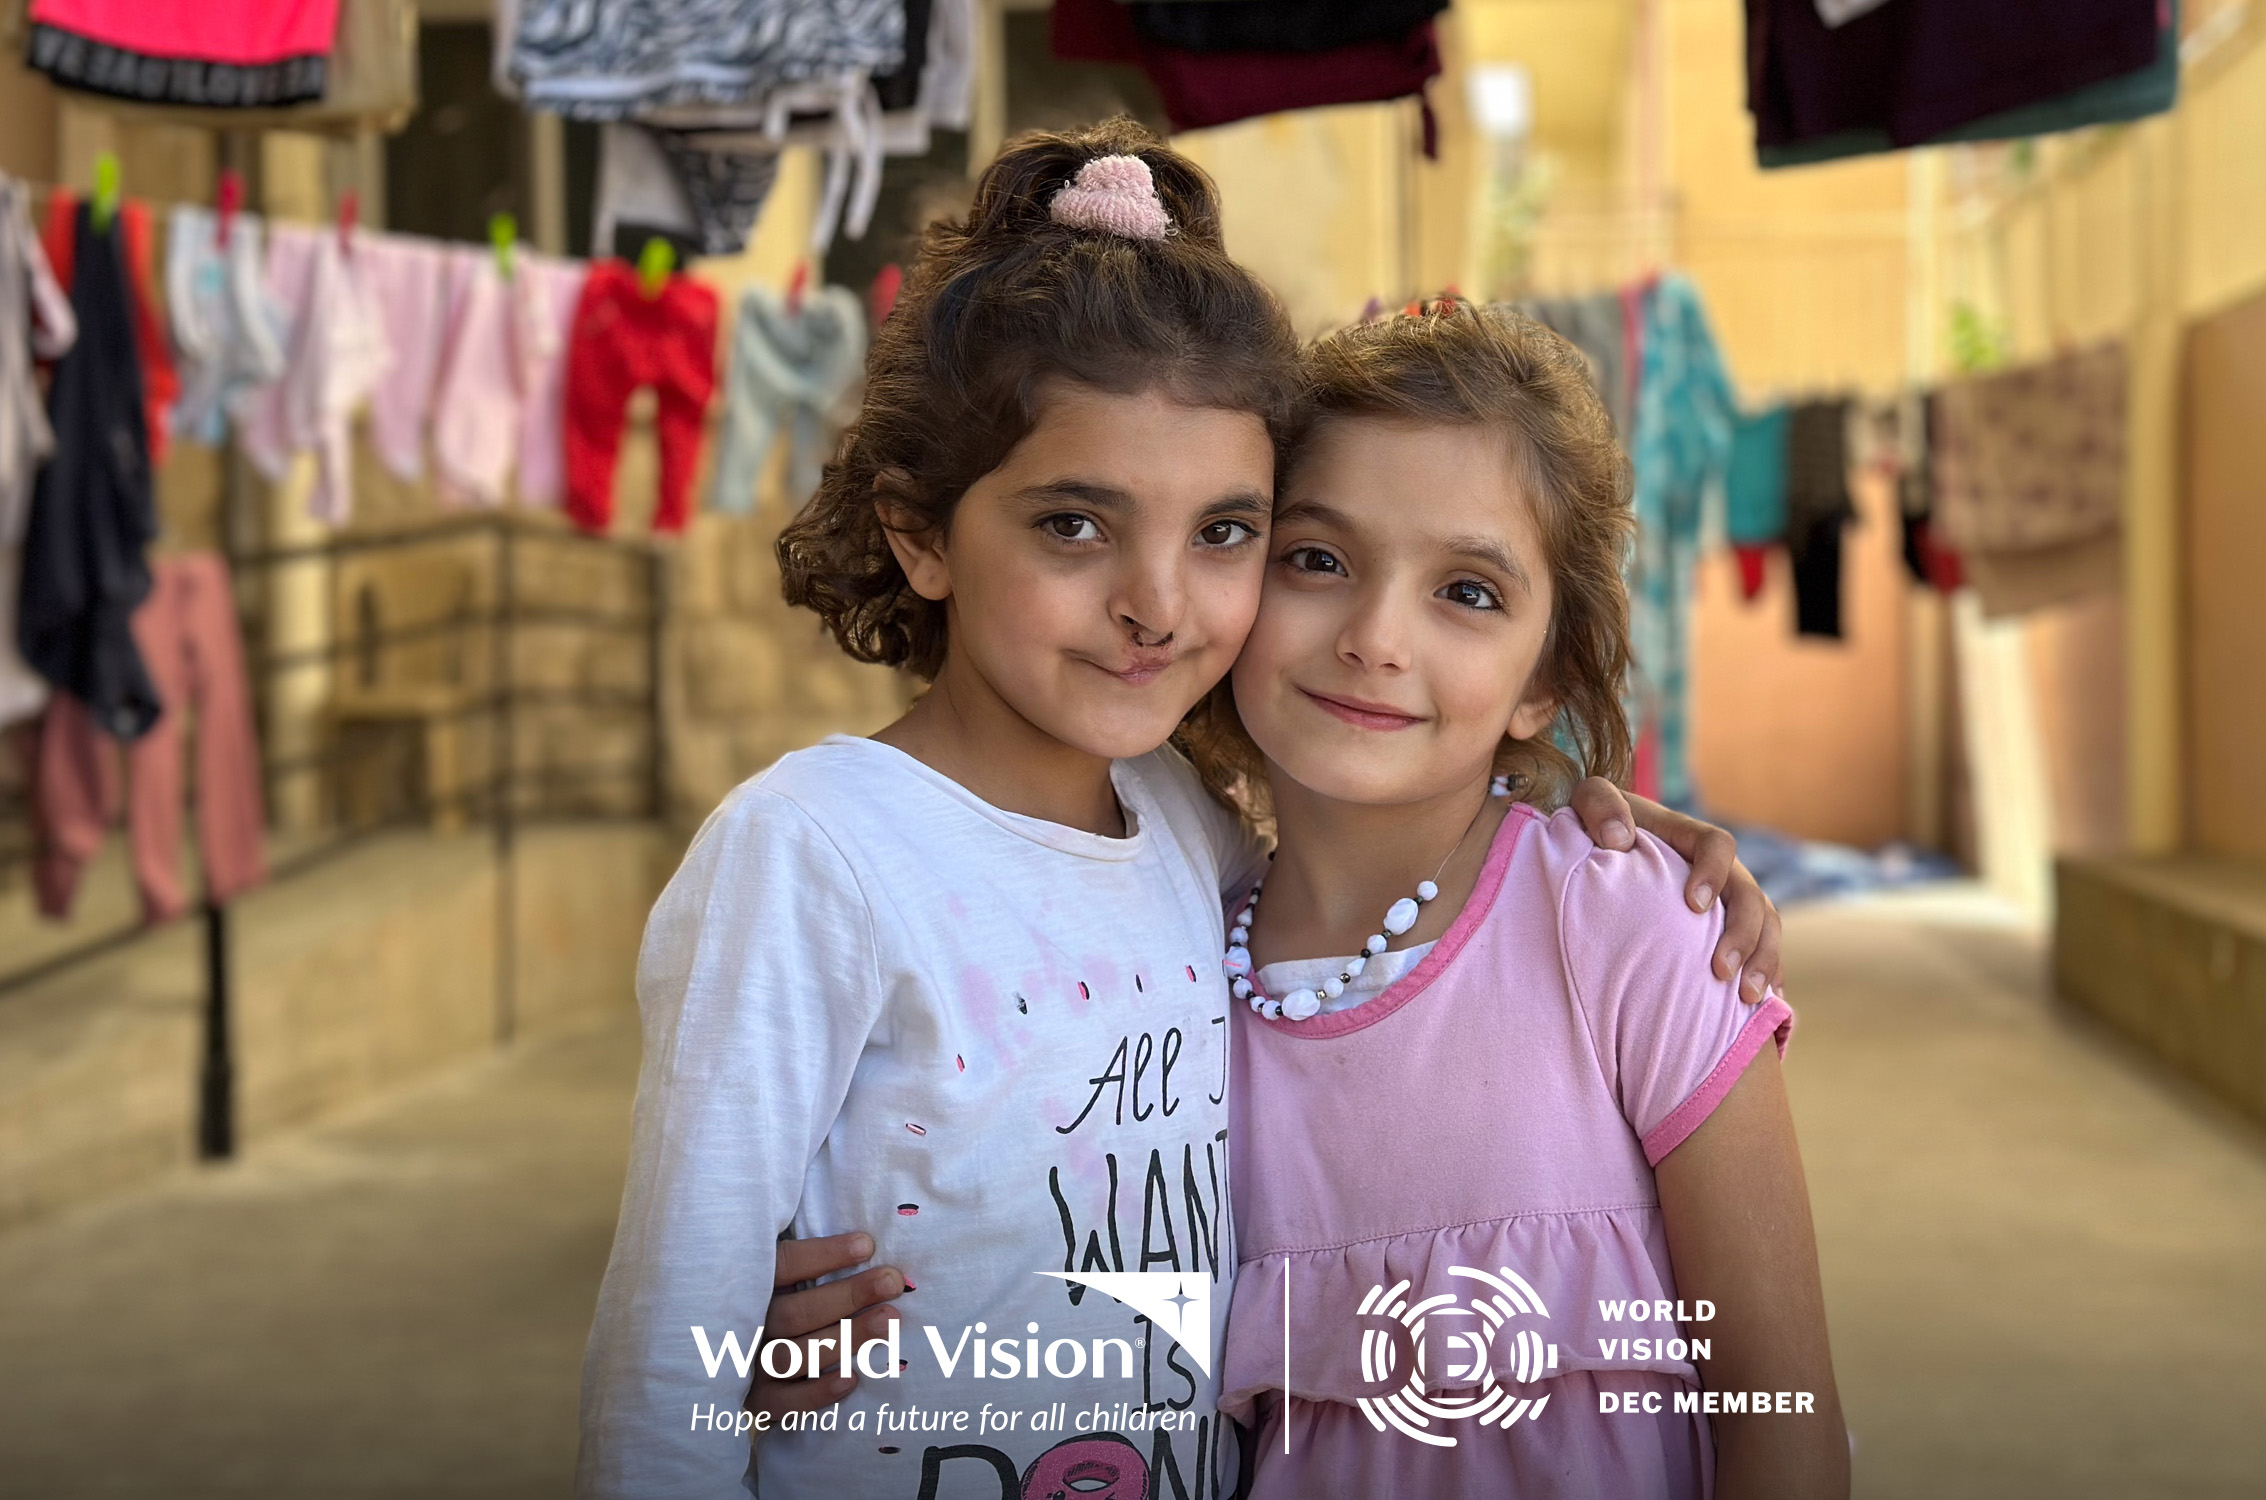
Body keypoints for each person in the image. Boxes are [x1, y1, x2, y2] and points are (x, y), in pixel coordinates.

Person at [576, 121, 1782, 1499]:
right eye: (1074, 526)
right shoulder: (808, 855)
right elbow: (665, 1362)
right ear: (920, 531)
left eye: (1222, 533)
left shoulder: (1189, 836)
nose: (1156, 603)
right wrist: (733, 1363)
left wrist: (1586, 806)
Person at [1205, 301, 1847, 1498]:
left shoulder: (1631, 934)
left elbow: (1786, 1418)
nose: (1375, 637)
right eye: (1318, 559)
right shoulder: (1167, 962)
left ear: (1542, 681)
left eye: (1468, 593)